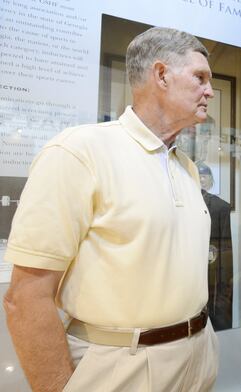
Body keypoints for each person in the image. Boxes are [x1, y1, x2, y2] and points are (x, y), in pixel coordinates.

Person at [2, 27, 218, 391]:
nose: (210, 91)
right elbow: (25, 298)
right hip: (122, 367)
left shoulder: (187, 167)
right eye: (200, 78)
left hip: (198, 355)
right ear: (161, 75)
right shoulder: (79, 152)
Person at [196, 162, 233, 331]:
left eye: (205, 176)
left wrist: (225, 281)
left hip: (213, 271)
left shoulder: (220, 207)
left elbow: (225, 247)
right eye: (199, 176)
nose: (202, 179)